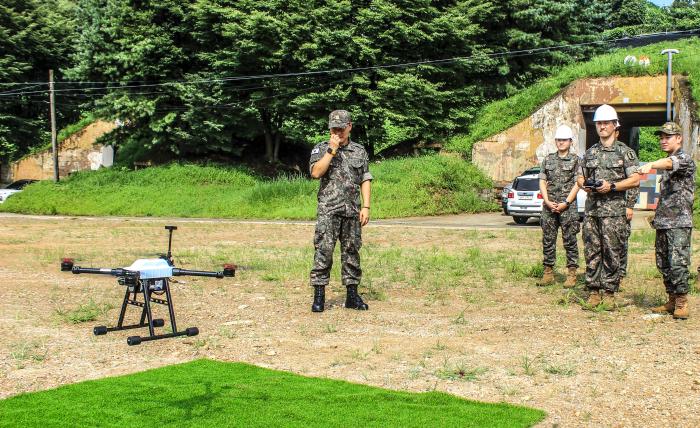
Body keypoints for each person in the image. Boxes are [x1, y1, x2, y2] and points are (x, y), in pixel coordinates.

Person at [308, 110, 373, 312]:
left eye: (341, 128)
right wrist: (331, 150)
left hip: (352, 210)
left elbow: (365, 178)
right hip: (329, 210)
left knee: (352, 252)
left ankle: (352, 296)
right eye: (334, 128)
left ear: (349, 127)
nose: (338, 132)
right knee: (324, 252)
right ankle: (319, 296)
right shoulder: (321, 149)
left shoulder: (359, 151)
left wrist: (366, 206)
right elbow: (316, 173)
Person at [577, 104, 640, 309]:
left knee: (613, 251)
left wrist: (611, 186)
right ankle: (594, 291)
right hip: (593, 212)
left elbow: (635, 180)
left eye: (606, 123)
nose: (602, 126)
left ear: (615, 125)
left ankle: (610, 292)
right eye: (599, 123)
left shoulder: (625, 152)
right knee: (592, 251)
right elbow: (580, 176)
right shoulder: (590, 152)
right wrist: (585, 186)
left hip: (614, 213)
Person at [639, 122, 695, 319]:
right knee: (663, 262)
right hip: (663, 221)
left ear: (678, 138)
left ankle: (681, 302)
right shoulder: (666, 161)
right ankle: (671, 299)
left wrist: (651, 164)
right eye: (661, 137)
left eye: (667, 137)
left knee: (678, 262)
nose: (663, 140)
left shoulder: (684, 159)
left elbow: (671, 163)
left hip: (679, 222)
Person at [538, 125, 580, 287]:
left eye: (564, 140)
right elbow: (542, 180)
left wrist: (566, 202)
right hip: (549, 206)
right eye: (558, 140)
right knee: (548, 240)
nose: (561, 142)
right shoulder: (548, 159)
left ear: (570, 141)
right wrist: (547, 201)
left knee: (570, 240)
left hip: (567, 207)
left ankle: (572, 274)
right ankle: (548, 272)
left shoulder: (576, 160)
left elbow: (578, 183)